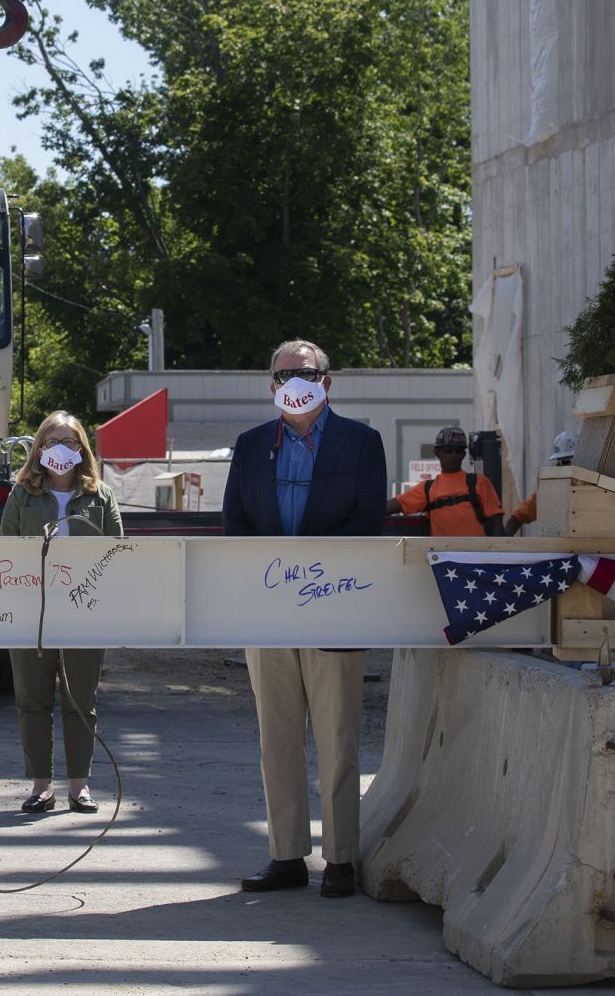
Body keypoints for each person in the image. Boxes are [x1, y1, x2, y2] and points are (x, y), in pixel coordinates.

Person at [221, 339, 387, 899]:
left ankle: (341, 859)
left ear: (327, 382)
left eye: (306, 371)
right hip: (267, 617)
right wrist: (272, 577)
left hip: (335, 609)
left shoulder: (362, 443)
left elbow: (368, 523)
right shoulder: (247, 447)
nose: (295, 379)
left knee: (339, 739)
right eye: (284, 373)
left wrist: (306, 569)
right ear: (272, 386)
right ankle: (286, 856)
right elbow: (235, 525)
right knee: (278, 740)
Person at [0, 411, 124, 815]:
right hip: (30, 614)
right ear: (39, 449)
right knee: (32, 700)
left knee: (80, 700)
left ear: (82, 449)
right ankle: (41, 786)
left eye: (70, 442)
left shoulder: (101, 495)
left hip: (84, 615)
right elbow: (5, 550)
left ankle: (79, 788)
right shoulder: (22, 494)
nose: (61, 450)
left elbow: (118, 551)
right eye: (52, 441)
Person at [385, 425, 505, 536]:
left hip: (476, 556)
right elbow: (392, 506)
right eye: (448, 451)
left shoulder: (479, 482)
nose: (453, 455)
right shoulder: (427, 488)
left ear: (463, 455)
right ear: (437, 453)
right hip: (443, 556)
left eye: (458, 451)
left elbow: (497, 523)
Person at [503, 430, 577, 536]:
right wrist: (504, 543)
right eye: (561, 461)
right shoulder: (549, 492)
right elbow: (519, 515)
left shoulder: (591, 488)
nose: (562, 466)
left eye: (567, 461)